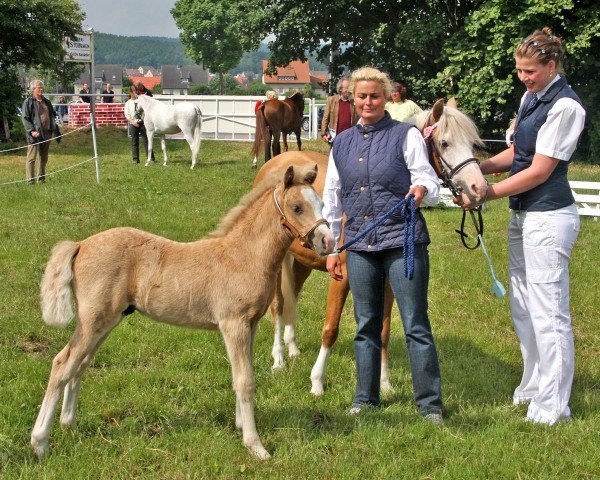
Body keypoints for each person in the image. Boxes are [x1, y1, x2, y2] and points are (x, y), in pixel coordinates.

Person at [460, 28, 586, 425]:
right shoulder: (533, 96)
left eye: (530, 71)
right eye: (519, 71)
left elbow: (540, 170)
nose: (523, 77)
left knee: (550, 313)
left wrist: (487, 194)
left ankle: (553, 406)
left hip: (550, 217)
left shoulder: (567, 107)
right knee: (524, 307)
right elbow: (517, 153)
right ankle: (533, 386)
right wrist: (474, 168)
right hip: (523, 216)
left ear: (551, 66)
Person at [323, 66, 443, 423]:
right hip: (360, 245)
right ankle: (365, 398)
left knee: (414, 323)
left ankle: (430, 404)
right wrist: (333, 249)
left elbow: (428, 179)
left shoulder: (405, 135)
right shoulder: (341, 142)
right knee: (365, 323)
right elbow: (332, 198)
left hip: (402, 240)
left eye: (374, 95)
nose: (368, 102)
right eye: (361, 96)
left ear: (387, 96)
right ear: (353, 98)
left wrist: (421, 190)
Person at [21, 80, 61, 184]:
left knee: (44, 157)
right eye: (39, 87)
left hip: (47, 132)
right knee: (31, 158)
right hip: (34, 134)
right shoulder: (28, 102)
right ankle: (30, 181)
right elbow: (25, 119)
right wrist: (32, 131)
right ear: (33, 89)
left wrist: (55, 128)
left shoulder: (46, 101)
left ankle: (41, 178)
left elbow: (52, 115)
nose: (41, 89)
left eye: (42, 87)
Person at [321, 77, 358, 144]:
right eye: (347, 88)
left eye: (350, 88)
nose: (349, 90)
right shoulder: (331, 100)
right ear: (340, 89)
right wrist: (324, 133)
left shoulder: (354, 102)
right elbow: (325, 118)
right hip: (335, 138)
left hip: (350, 139)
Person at [124, 86, 155, 164]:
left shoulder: (140, 101)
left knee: (147, 141)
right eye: (133, 92)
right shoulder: (128, 103)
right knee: (134, 142)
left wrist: (143, 119)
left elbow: (145, 111)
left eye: (136, 91)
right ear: (130, 92)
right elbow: (127, 115)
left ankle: (151, 158)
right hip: (133, 124)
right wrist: (133, 122)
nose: (135, 93)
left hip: (142, 123)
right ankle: (135, 159)